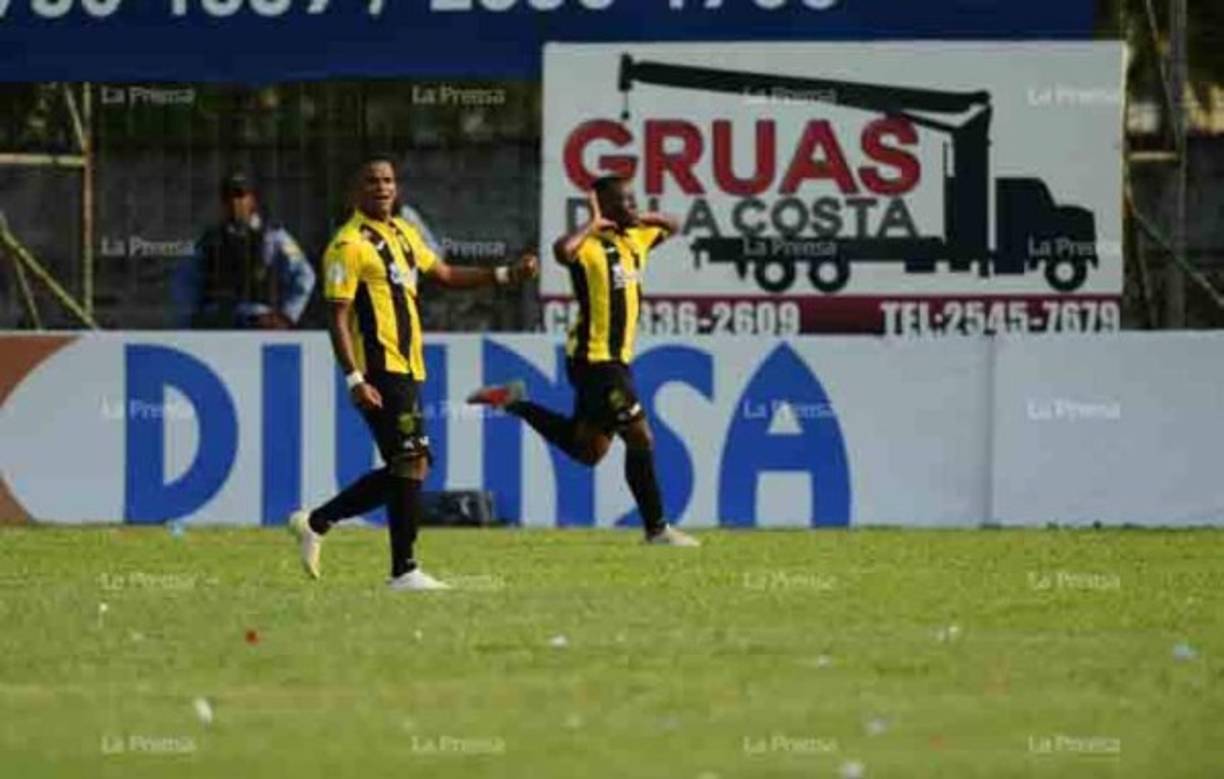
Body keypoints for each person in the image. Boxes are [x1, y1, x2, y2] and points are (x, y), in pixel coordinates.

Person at [287, 155, 538, 591]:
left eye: (387, 180)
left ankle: (317, 521)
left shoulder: (404, 232)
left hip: (409, 364)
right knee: (410, 461)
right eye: (371, 181)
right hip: (380, 368)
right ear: (355, 193)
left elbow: (441, 272)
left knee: (411, 463)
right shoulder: (347, 246)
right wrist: (355, 378)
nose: (382, 187)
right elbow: (337, 317)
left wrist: (503, 273)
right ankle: (403, 569)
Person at [466, 175, 699, 547]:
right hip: (595, 362)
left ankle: (513, 401)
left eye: (633, 199)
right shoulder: (590, 247)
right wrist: (592, 224)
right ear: (604, 208)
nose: (631, 205)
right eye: (623, 201)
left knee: (587, 450)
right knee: (640, 436)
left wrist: (641, 215)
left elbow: (675, 224)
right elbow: (562, 251)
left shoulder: (635, 239)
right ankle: (657, 529)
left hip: (616, 362)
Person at [176, 172, 315, 329]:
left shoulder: (273, 235)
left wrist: (287, 315)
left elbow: (304, 275)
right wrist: (190, 319)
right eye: (229, 197)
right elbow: (186, 279)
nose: (235, 202)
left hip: (257, 320)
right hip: (217, 321)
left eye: (241, 195)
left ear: (252, 200)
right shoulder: (209, 239)